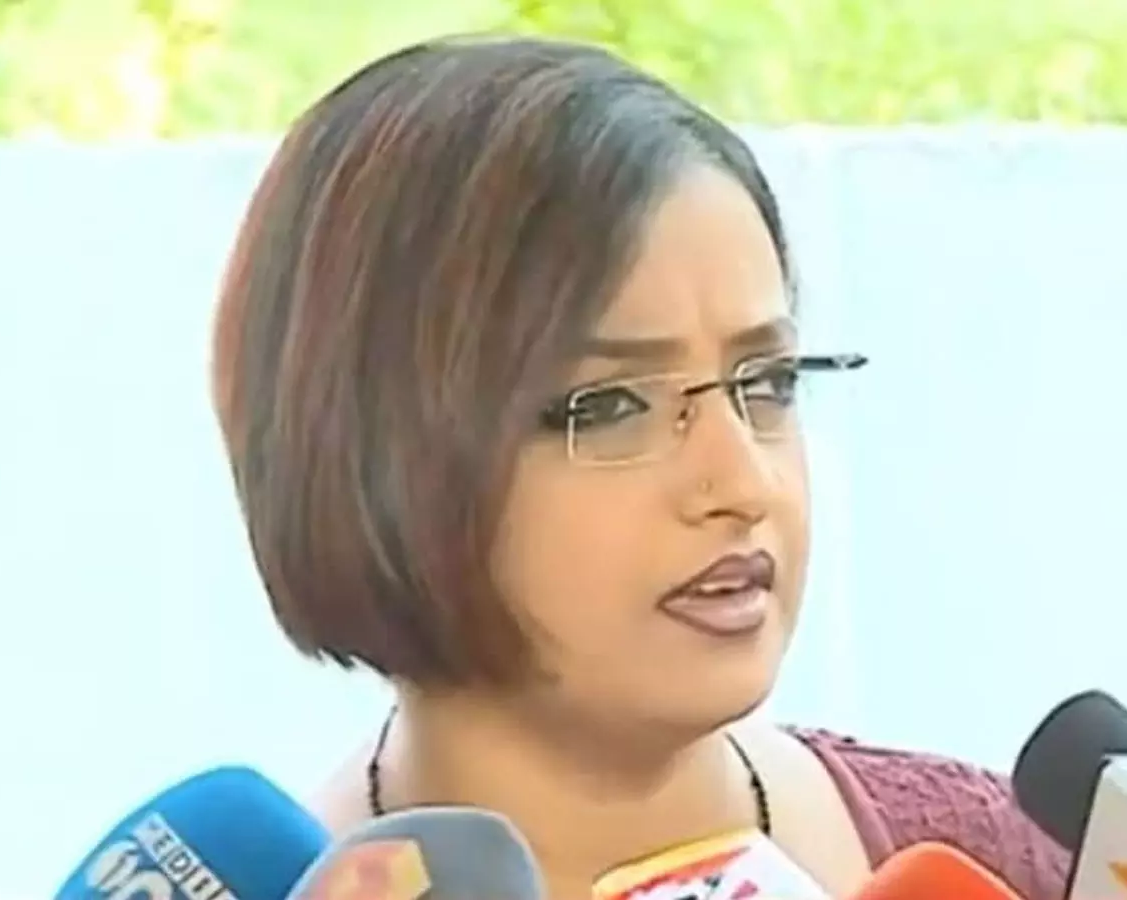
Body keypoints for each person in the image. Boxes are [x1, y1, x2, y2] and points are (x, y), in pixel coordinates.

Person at [210, 35, 1067, 900]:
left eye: (766, 382)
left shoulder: (1015, 864)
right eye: (612, 405)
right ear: (371, 447)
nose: (743, 485)